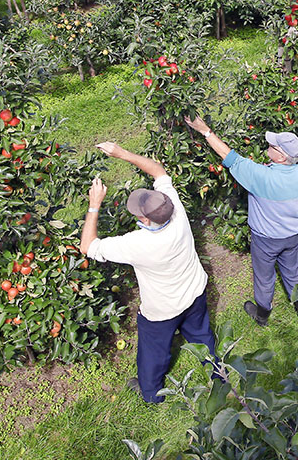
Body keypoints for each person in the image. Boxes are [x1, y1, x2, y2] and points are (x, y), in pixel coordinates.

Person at [80, 141, 222, 403]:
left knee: (153, 353)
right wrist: (121, 152)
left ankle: (151, 392)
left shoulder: (139, 244)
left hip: (163, 310)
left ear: (145, 220)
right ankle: (219, 374)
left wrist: (94, 205)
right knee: (202, 336)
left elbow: (88, 246)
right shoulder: (175, 212)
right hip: (194, 292)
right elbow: (159, 171)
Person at [185, 116, 298, 327]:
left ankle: (262, 315)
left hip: (266, 240)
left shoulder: (260, 176)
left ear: (281, 157)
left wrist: (205, 131)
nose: (268, 147)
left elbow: (229, 157)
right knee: (293, 271)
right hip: (291, 235)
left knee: (264, 277)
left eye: (272, 146)